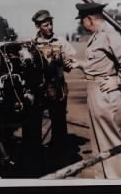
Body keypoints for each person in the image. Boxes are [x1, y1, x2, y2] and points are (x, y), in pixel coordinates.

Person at [66, 2, 121, 179]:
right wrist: (80, 64)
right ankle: (104, 181)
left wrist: (118, 80)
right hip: (96, 91)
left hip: (104, 93)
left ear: (89, 19)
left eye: (82, 21)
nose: (82, 25)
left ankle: (116, 182)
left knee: (111, 142)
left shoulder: (107, 35)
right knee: (101, 143)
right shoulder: (98, 35)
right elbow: (99, 64)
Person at [31, 10, 76, 149]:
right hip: (40, 89)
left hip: (58, 88)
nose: (50, 27)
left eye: (51, 24)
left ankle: (60, 150)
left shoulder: (60, 41)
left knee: (59, 121)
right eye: (46, 25)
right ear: (38, 27)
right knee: (42, 121)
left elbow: (72, 61)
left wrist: (64, 60)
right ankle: (44, 151)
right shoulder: (32, 44)